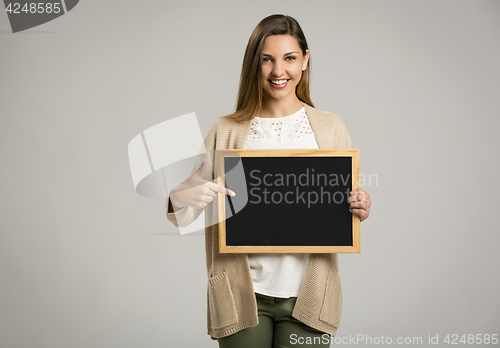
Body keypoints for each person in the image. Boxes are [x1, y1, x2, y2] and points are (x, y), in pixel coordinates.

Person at [166, 14, 372, 348]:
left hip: (310, 295)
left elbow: (341, 208)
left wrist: (358, 206)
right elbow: (187, 209)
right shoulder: (226, 131)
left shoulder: (332, 128)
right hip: (242, 294)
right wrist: (180, 195)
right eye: (267, 60)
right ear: (254, 64)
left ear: (305, 59)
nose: (279, 71)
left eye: (289, 58)